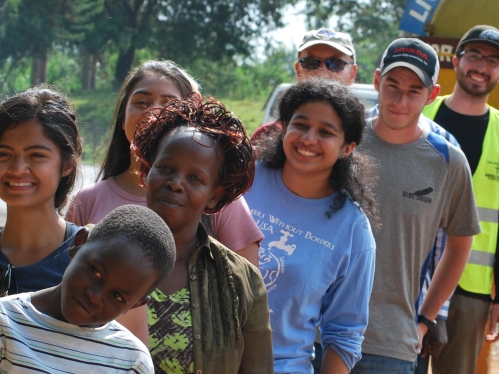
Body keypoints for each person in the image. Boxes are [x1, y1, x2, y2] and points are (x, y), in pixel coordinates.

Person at [65, 60, 263, 345]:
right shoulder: (87, 200)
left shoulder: (225, 206)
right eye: (142, 102)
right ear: (122, 117)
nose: (154, 112)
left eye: (168, 103)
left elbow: (248, 299)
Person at [351, 38, 481, 374]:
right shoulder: (345, 141)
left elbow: (460, 242)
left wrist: (425, 319)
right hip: (320, 333)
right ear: (377, 80)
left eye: (414, 91)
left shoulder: (448, 160)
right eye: (392, 86)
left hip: (392, 344)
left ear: (433, 94)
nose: (400, 100)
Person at [132, 93, 273, 374]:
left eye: (195, 178)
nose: (175, 184)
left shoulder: (242, 282)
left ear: (213, 197)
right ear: (147, 172)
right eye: (166, 168)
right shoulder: (96, 250)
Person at [244, 79, 377, 374]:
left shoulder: (353, 229)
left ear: (347, 148)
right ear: (284, 127)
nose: (308, 138)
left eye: (326, 132)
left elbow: (344, 333)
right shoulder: (242, 179)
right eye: (300, 124)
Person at [0, 204, 176, 373]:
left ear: (136, 304)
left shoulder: (132, 361)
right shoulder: (5, 322)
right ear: (78, 243)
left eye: (117, 296)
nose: (95, 297)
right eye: (96, 273)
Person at [420, 25, 499, 374]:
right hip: (412, 277)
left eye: (493, 60)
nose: (482, 66)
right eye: (476, 56)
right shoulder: (420, 115)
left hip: (472, 290)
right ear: (457, 59)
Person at [0, 86, 82, 295]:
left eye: (36, 155)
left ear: (66, 166)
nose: (17, 169)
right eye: (4, 154)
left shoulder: (92, 258)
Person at [251, 27, 358, 142]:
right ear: (298, 70)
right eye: (311, 62)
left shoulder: (363, 140)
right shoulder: (267, 136)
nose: (322, 72)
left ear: (352, 73)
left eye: (335, 63)